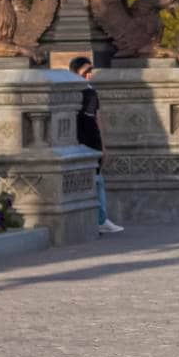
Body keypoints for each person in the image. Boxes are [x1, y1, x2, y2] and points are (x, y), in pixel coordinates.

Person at [69, 56, 123, 236]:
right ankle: (100, 220)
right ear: (75, 73)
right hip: (83, 138)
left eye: (91, 71)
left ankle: (100, 219)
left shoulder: (87, 91)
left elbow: (97, 117)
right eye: (86, 72)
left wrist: (103, 144)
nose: (89, 75)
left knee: (97, 180)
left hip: (89, 138)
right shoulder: (80, 92)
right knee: (95, 181)